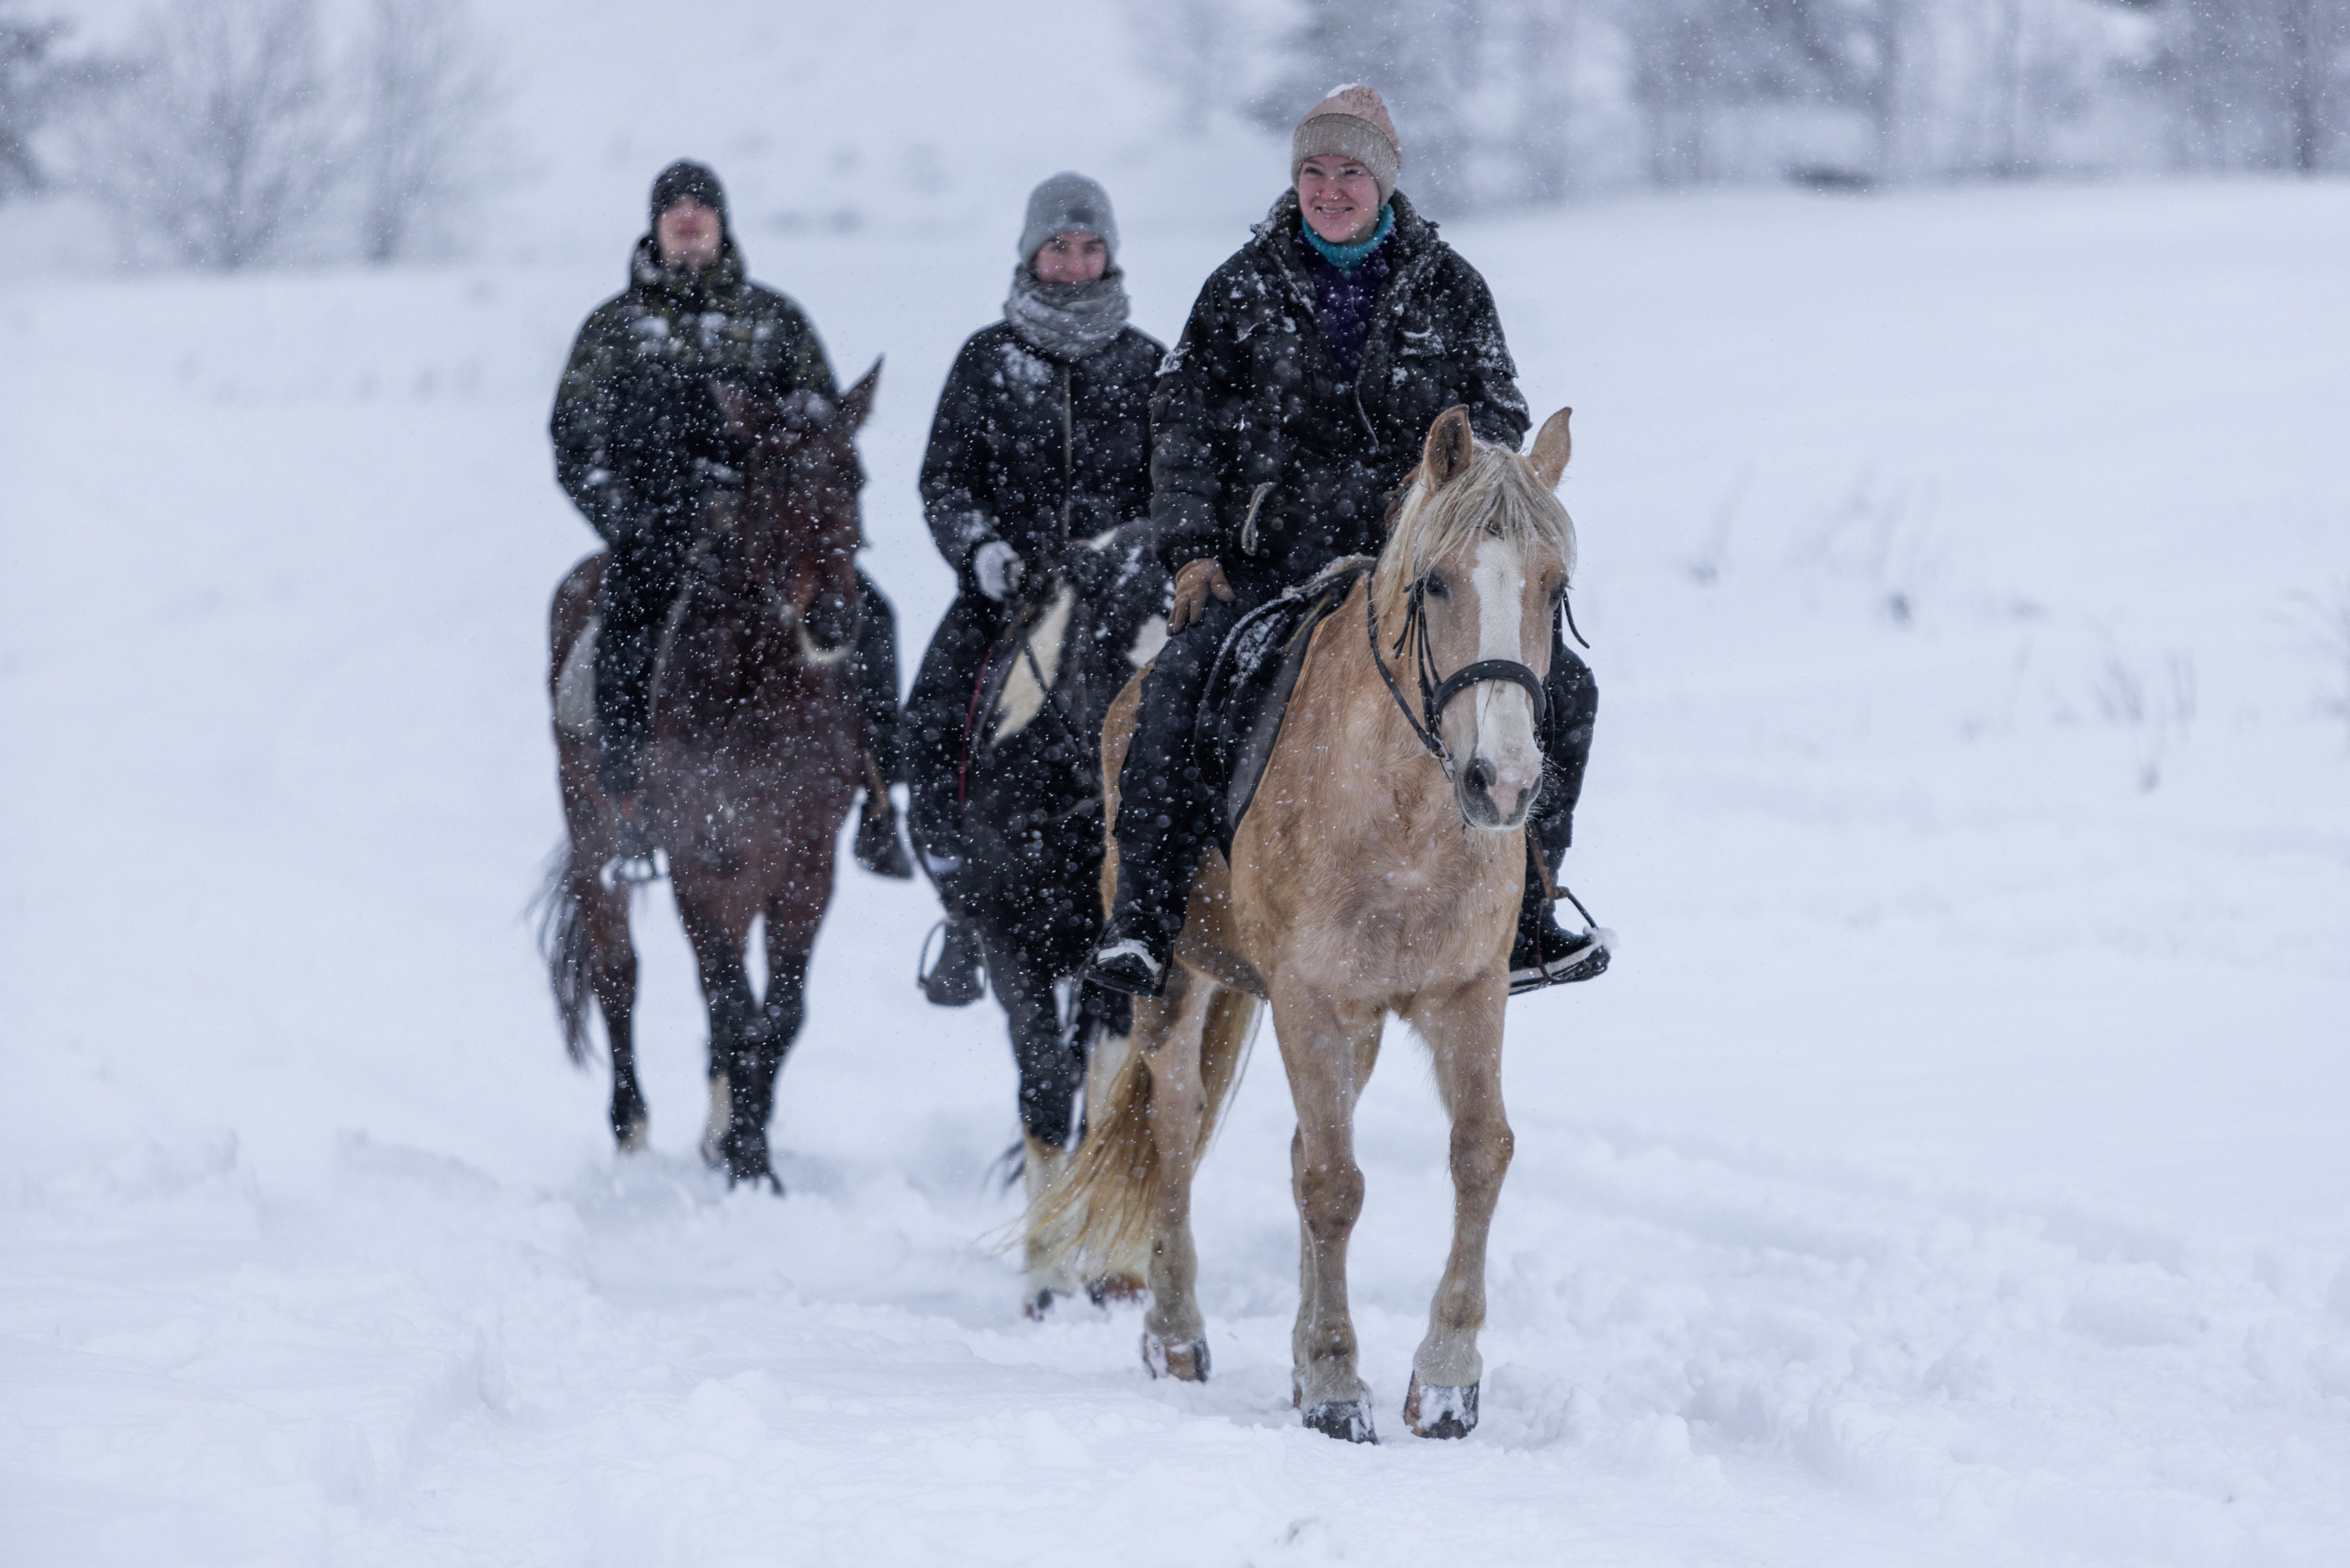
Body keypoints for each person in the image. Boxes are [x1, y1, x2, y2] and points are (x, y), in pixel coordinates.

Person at [1086, 86, 1606, 998]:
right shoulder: (1240, 286)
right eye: (1314, 172)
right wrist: (1195, 554)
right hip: (1270, 565)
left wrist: (1447, 491)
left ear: (1385, 183)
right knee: (1173, 689)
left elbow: (1501, 418)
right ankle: (1145, 914)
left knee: (1564, 683)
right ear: (1295, 182)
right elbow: (1183, 426)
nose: (1330, 189)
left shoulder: (1451, 287)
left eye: (1350, 172)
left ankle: (1529, 907)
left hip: (1420, 567)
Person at [550, 160, 911, 878]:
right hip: (655, 534)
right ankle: (630, 807)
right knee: (626, 626)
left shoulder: (775, 320)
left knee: (872, 614)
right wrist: (628, 522)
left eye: (700, 211)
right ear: (655, 227)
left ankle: (878, 799)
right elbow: (575, 441)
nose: (688, 221)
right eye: (674, 211)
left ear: (721, 224)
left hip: (764, 537)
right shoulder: (614, 329)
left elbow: (822, 424)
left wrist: (790, 476)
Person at [904, 173, 1166, 1002]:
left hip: (1118, 604)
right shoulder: (986, 361)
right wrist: (982, 551)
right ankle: (961, 906)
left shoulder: (1149, 365)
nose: (1077, 264)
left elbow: (1175, 493)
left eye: (1092, 249)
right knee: (932, 720)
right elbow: (943, 482)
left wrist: (1128, 555)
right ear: (1031, 255)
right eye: (1061, 248)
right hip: (1004, 601)